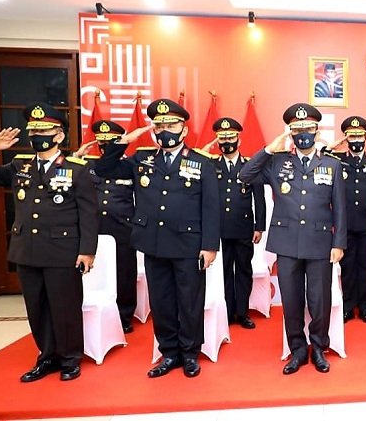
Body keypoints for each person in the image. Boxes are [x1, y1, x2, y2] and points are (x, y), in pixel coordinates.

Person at [95, 98, 220, 378]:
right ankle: (169, 352)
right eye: (159, 126)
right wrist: (123, 142)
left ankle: (190, 353)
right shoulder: (141, 159)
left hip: (189, 245)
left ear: (184, 130)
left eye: (171, 125)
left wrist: (210, 246)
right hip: (154, 242)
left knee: (189, 301)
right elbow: (103, 170)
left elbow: (211, 208)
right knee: (161, 302)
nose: (165, 131)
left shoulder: (201, 163)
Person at [239, 103, 346, 375]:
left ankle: (319, 348)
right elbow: (245, 174)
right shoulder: (276, 162)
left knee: (319, 301)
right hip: (286, 243)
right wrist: (269, 148)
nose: (303, 134)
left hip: (320, 243)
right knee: (291, 300)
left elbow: (340, 208)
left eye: (308, 128)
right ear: (290, 133)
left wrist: (339, 243)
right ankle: (297, 349)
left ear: (317, 131)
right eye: (297, 130)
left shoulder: (332, 164)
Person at [0, 102, 97, 382]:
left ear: (59, 136)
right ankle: (47, 356)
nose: (37, 136)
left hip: (62, 251)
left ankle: (70, 358)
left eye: (44, 131)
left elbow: (88, 214)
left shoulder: (77, 169)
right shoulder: (19, 166)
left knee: (64, 307)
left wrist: (87, 251)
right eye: (33, 131)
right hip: (27, 250)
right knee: (37, 309)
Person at [324, 116, 366, 324]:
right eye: (352, 136)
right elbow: (321, 154)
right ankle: (348, 307)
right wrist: (337, 144)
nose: (356, 140)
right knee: (348, 267)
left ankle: (365, 307)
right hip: (345, 223)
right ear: (346, 138)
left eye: (359, 136)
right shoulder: (338, 159)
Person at [75, 120, 138, 334]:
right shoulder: (89, 166)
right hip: (94, 228)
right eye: (100, 142)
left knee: (124, 273)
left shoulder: (130, 167)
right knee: (94, 272)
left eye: (109, 142)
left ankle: (123, 315)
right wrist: (76, 157)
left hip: (122, 228)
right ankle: (89, 311)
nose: (104, 147)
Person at [210, 117, 265, 329]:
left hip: (243, 228)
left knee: (243, 270)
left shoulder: (250, 165)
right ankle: (227, 310)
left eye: (230, 138)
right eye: (222, 138)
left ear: (238, 140)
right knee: (223, 270)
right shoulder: (211, 165)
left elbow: (259, 198)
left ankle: (242, 312)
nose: (227, 142)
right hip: (220, 228)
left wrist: (259, 226)